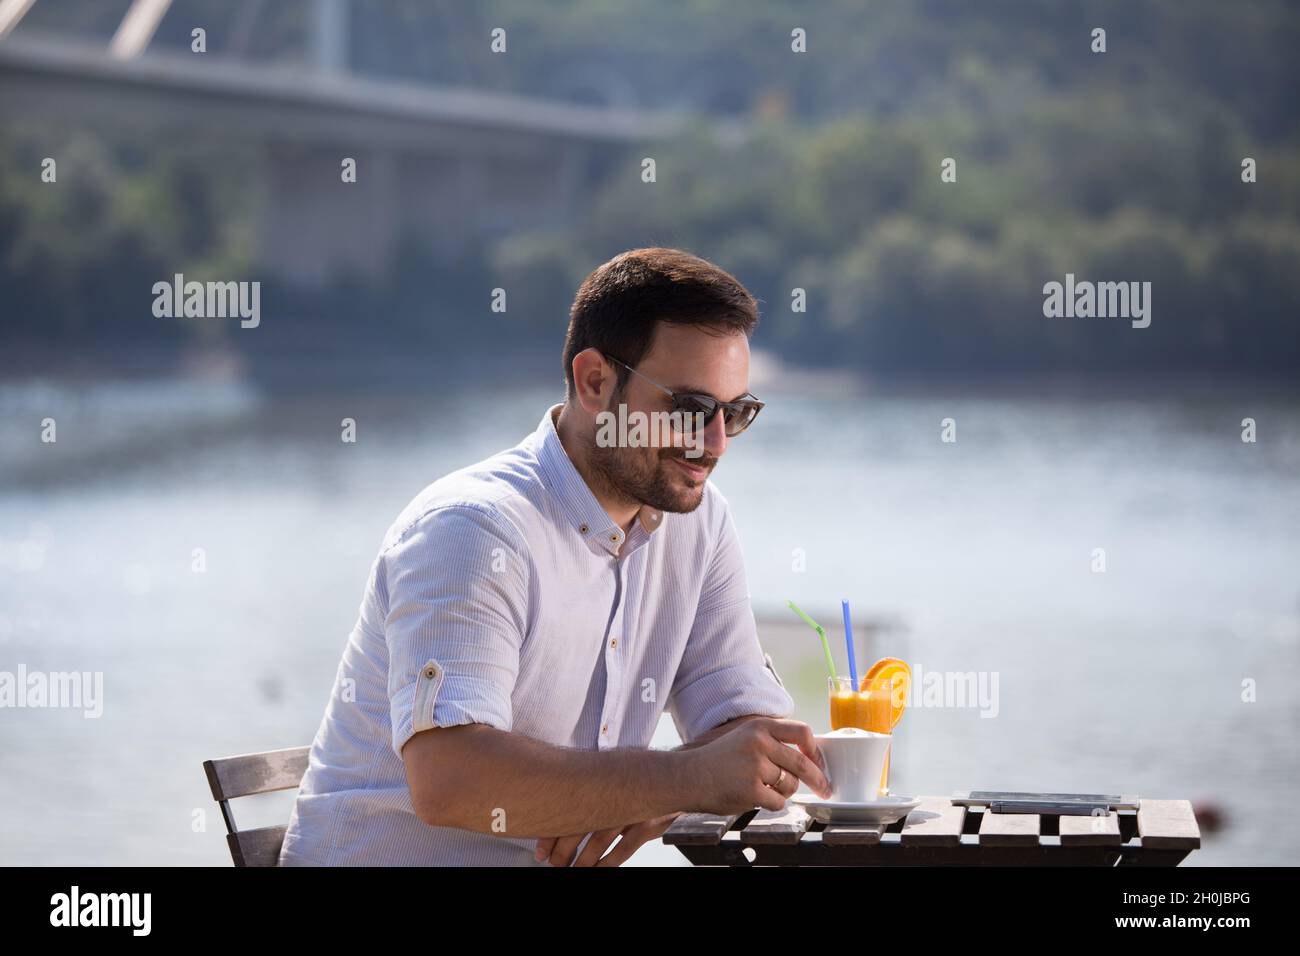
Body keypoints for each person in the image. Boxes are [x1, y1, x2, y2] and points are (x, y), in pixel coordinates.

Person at [279, 247, 831, 866]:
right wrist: (681, 779)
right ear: (594, 381)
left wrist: (681, 780)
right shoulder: (472, 532)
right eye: (691, 409)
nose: (715, 444)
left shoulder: (697, 523)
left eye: (735, 413)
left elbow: (747, 740)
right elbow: (451, 781)